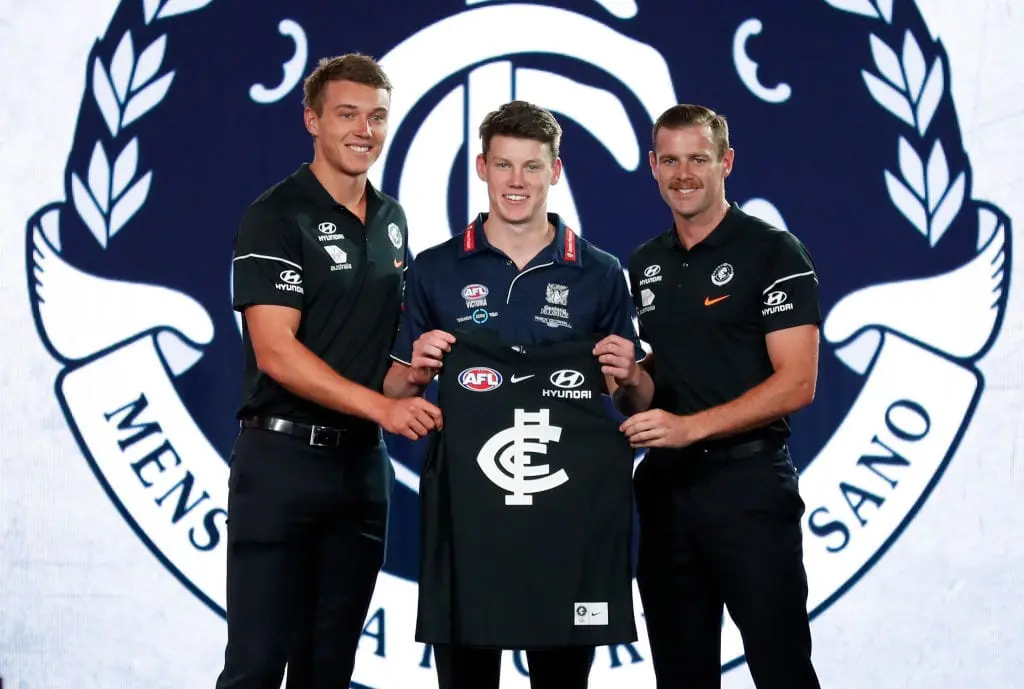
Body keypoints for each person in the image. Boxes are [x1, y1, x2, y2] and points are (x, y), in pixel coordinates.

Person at [382, 100, 641, 689]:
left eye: (531, 166)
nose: (516, 181)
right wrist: (415, 374)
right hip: (468, 522)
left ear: (555, 171)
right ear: (482, 167)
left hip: (567, 524)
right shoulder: (434, 269)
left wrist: (629, 375)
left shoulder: (600, 272)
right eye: (503, 165)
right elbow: (394, 389)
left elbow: (628, 399)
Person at [216, 54, 442, 689]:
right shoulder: (275, 215)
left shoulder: (393, 220)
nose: (364, 130)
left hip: (360, 472)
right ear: (312, 120)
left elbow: (372, 366)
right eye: (347, 114)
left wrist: (413, 376)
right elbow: (276, 352)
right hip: (281, 465)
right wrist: (384, 408)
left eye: (377, 117)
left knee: (329, 670)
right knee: (257, 667)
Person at [610, 104, 823, 689]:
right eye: (670, 160)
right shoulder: (646, 263)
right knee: (680, 676)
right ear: (652, 166)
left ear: (726, 162)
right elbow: (658, 385)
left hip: (748, 488)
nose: (683, 174)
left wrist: (689, 428)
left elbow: (798, 381)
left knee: (781, 669)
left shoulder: (773, 251)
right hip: (666, 492)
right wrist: (631, 378)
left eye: (698, 159)